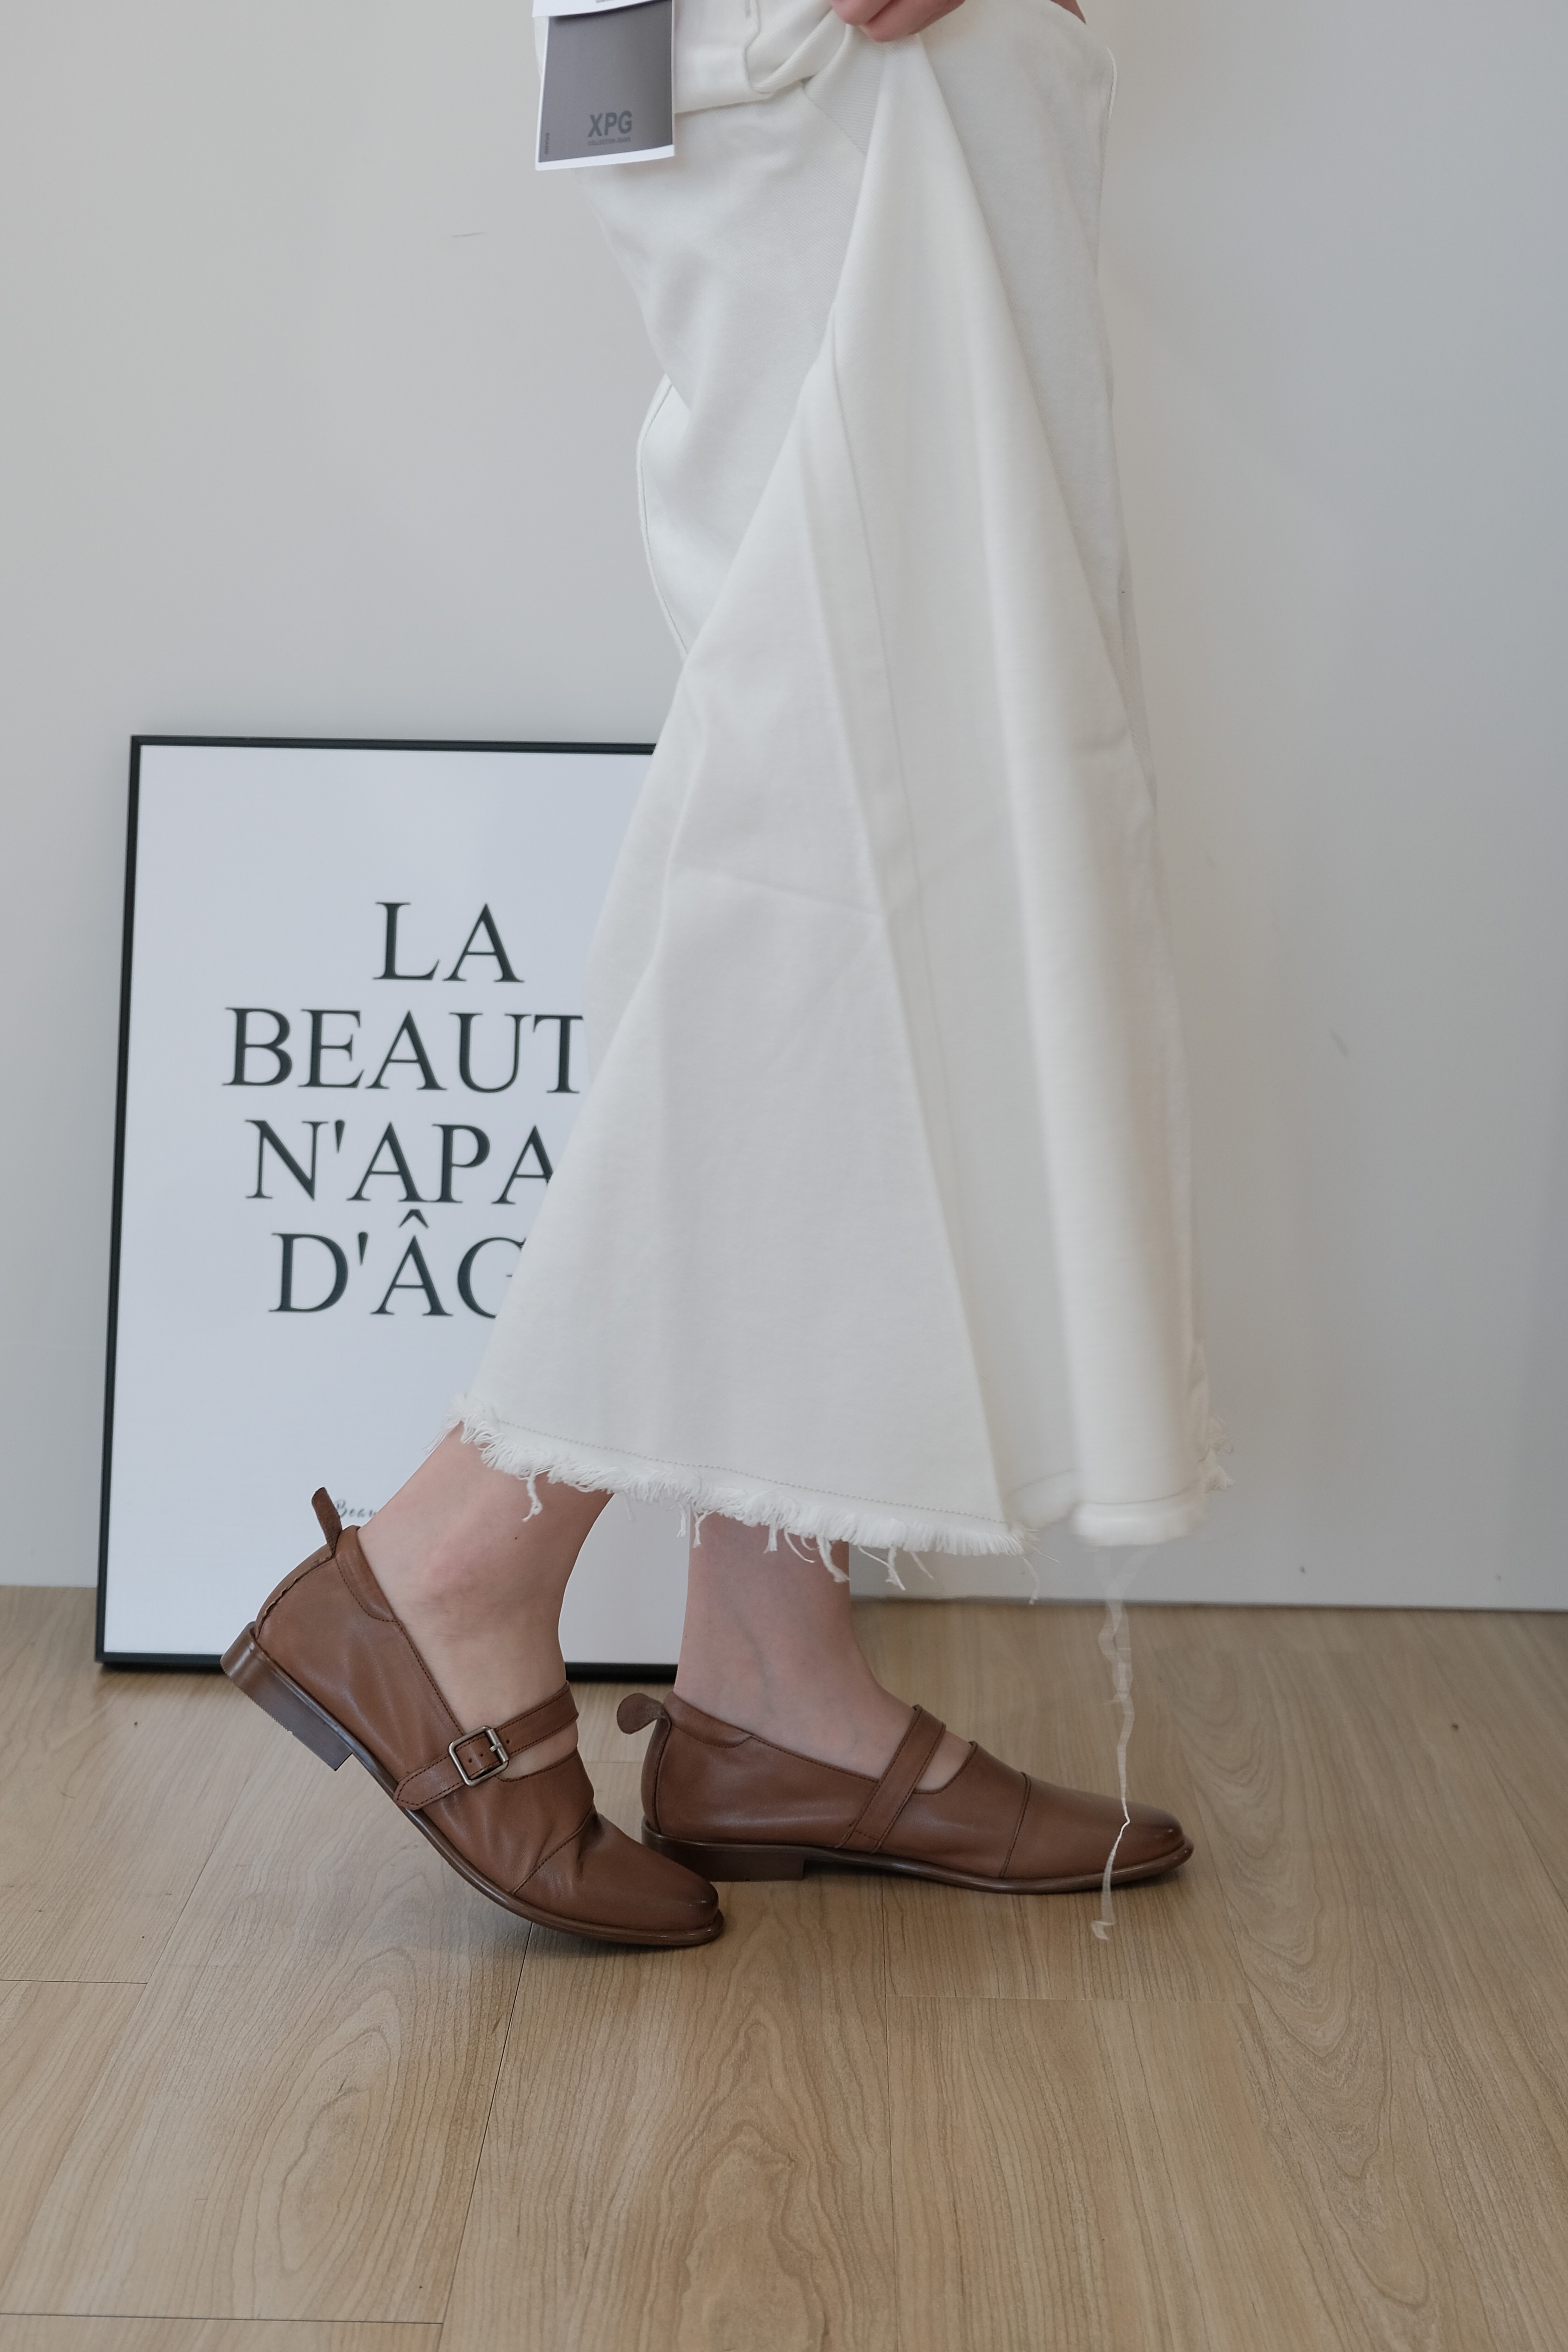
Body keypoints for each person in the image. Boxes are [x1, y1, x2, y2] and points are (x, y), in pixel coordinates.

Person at [224, 0, 1222, 1945]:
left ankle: (774, 1672)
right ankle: (459, 1550)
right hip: (853, 61)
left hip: (823, 63)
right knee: (866, 814)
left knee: (848, 810)